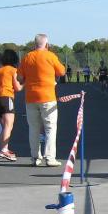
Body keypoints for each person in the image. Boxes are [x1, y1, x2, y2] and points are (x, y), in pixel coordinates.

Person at [17, 34, 66, 167]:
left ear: (34, 44)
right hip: (48, 98)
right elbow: (62, 72)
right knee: (50, 128)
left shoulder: (27, 57)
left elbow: (20, 77)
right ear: (47, 45)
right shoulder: (50, 56)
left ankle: (35, 157)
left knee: (33, 128)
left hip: (30, 98)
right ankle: (50, 158)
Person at [0, 49, 23, 161]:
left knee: (4, 126)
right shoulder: (13, 70)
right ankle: (4, 150)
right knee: (8, 126)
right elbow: (18, 88)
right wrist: (25, 83)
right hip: (7, 98)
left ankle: (3, 149)